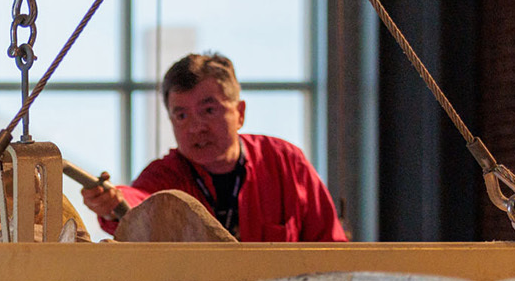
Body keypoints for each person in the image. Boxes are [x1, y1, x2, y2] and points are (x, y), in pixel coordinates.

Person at [83, 52, 348, 242]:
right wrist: (111, 200)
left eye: (209, 110)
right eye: (181, 115)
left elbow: (332, 247)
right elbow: (139, 201)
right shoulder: (166, 175)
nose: (196, 127)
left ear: (240, 113)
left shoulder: (284, 161)